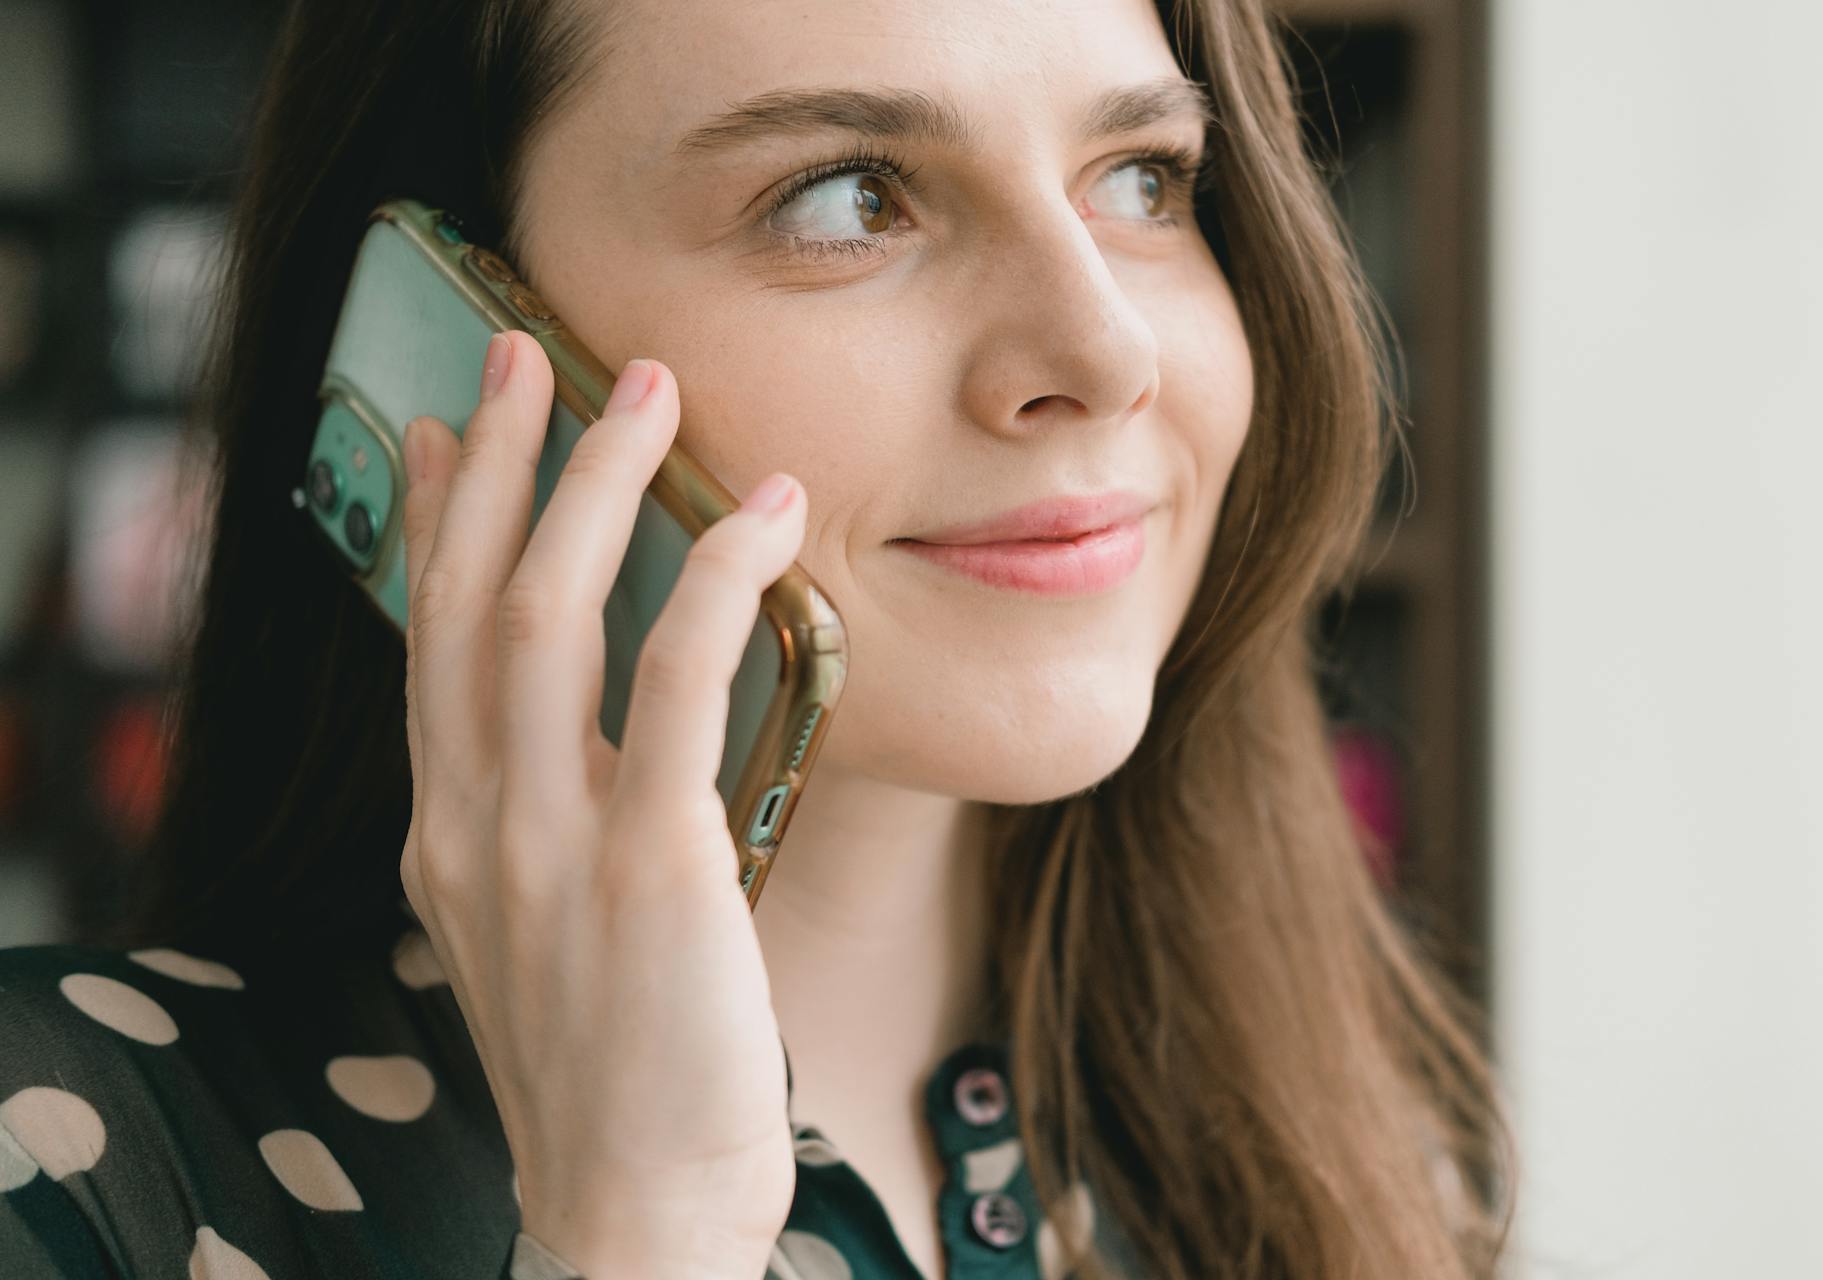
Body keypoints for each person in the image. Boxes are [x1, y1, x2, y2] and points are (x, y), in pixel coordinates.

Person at [0, 0, 1516, 1275]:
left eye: (1144, 179)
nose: (1104, 349)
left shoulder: (1366, 1156)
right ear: (466, 355)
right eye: (848, 197)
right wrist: (639, 1230)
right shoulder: (69, 1166)